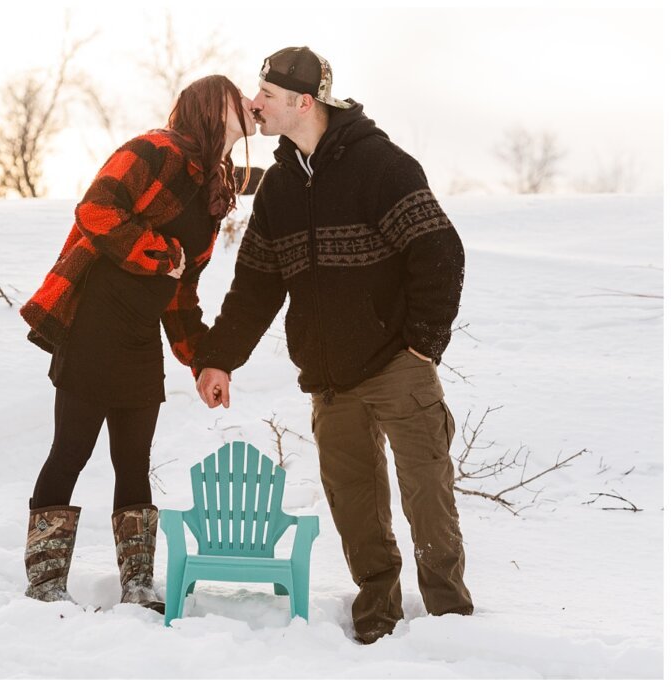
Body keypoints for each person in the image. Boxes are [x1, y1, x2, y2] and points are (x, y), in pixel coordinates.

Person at [193, 47, 472, 643]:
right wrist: (218, 357)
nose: (255, 103)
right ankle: (378, 615)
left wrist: (422, 346)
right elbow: (254, 289)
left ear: (303, 101)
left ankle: (451, 621)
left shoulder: (382, 166)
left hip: (399, 366)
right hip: (328, 378)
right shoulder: (279, 190)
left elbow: (440, 252)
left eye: (266, 94)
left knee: (428, 497)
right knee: (354, 505)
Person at [19, 75, 255, 613]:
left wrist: (202, 361)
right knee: (71, 452)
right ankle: (45, 585)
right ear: (207, 107)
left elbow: (182, 292)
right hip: (96, 325)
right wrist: (158, 252)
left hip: (141, 336)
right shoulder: (155, 150)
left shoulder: (214, 187)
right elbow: (96, 209)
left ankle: (138, 586)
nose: (246, 101)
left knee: (134, 460)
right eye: (233, 94)